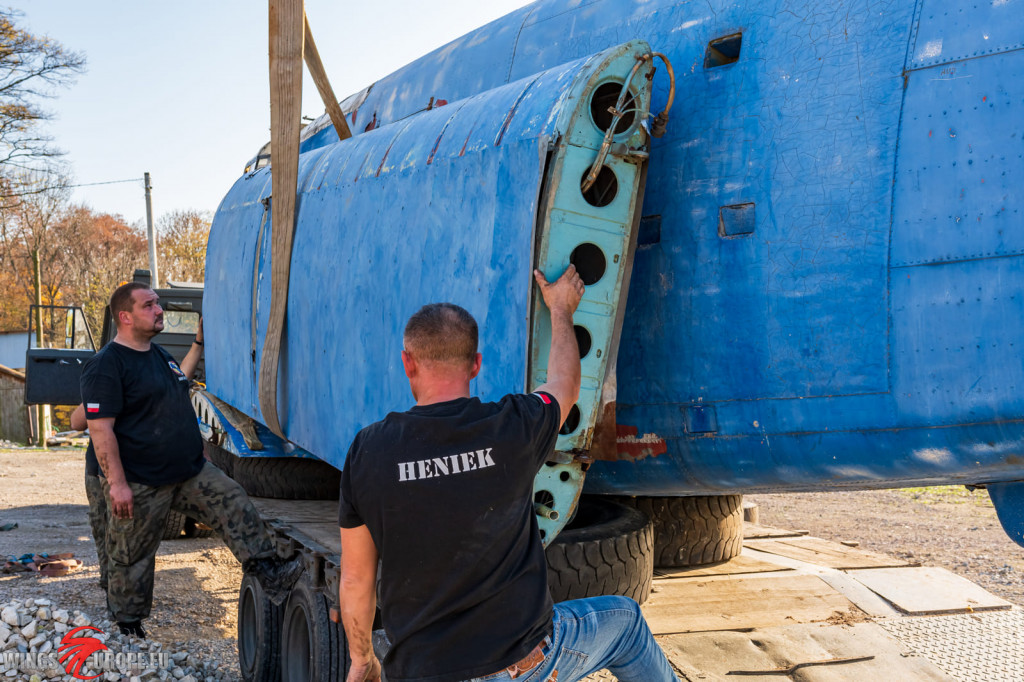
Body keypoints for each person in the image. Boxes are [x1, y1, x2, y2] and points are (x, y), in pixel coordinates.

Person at [338, 265, 678, 682]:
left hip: (423, 673)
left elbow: (356, 579)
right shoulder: (513, 427)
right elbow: (565, 385)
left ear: (408, 363)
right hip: (519, 667)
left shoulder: (368, 451)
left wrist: (362, 662)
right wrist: (560, 310)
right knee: (624, 621)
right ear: (476, 364)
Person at [80, 281, 301, 638]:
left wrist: (196, 443)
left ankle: (268, 571)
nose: (158, 309)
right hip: (142, 479)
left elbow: (179, 392)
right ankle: (128, 626)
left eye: (157, 303)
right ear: (125, 316)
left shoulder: (159, 355)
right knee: (131, 557)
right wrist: (118, 484)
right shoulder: (107, 366)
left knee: (233, 500)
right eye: (148, 305)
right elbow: (100, 429)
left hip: (188, 472)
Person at [70, 402, 108, 592]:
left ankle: (118, 583)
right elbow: (76, 422)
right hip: (99, 467)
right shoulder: (103, 381)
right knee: (102, 523)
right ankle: (110, 580)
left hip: (133, 468)